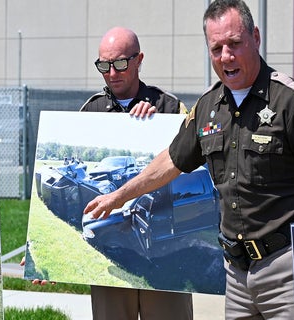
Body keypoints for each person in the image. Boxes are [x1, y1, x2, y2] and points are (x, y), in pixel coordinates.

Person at [84, 1, 294, 319]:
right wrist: (118, 196)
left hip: (289, 270)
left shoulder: (292, 103)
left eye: (235, 44)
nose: (226, 56)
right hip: (237, 275)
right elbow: (169, 163)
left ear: (255, 37)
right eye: (216, 48)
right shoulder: (208, 107)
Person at [82, 26, 192, 320]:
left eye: (120, 63)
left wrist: (157, 127)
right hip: (114, 253)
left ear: (139, 59)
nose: (111, 73)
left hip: (165, 249)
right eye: (103, 65)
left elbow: (191, 165)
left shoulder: (169, 107)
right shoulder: (90, 112)